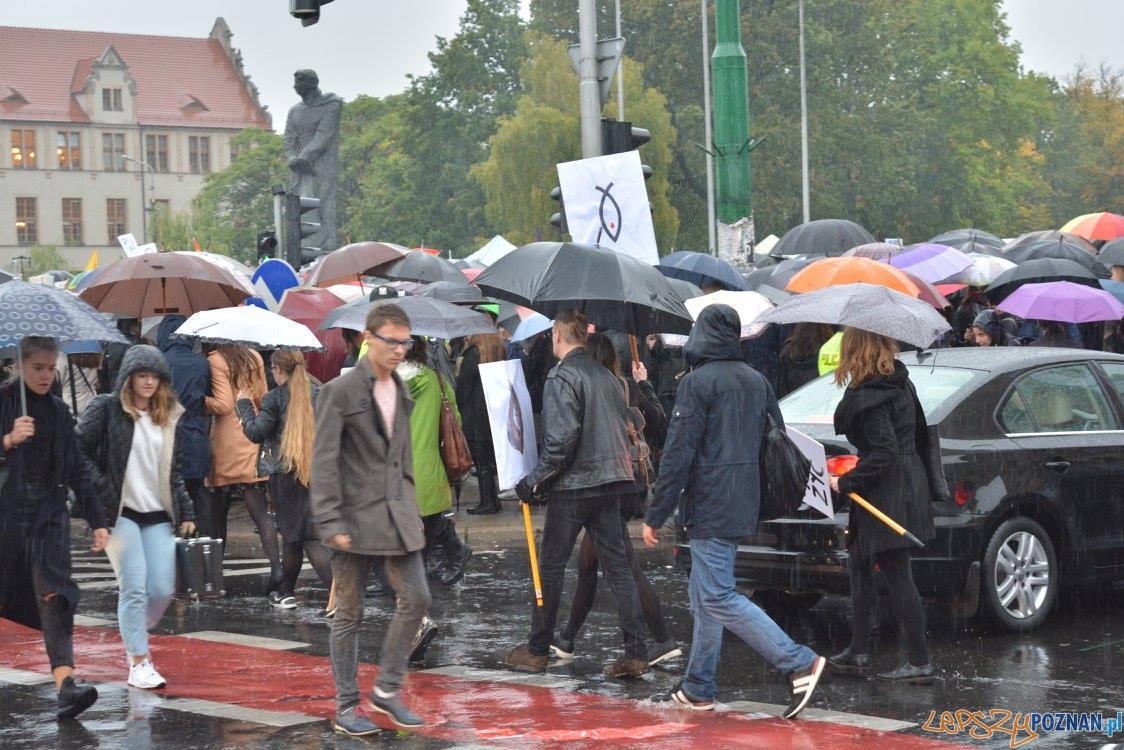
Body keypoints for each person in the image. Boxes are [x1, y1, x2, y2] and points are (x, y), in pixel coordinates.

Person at [642, 304, 826, 717]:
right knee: (704, 597)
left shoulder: (697, 384)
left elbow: (678, 453)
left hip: (710, 502)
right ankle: (698, 686)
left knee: (718, 596)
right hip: (745, 501)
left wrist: (656, 512)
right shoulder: (757, 380)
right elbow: (775, 438)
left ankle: (799, 661)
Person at [503, 311, 650, 679]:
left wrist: (533, 482)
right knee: (618, 568)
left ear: (557, 335)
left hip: (575, 484)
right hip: (612, 479)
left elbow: (561, 441)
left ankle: (538, 649)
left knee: (551, 566)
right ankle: (636, 651)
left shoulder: (562, 375)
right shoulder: (608, 376)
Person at [312, 304, 431, 733]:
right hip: (351, 520)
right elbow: (323, 459)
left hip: (397, 516)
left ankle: (386, 691)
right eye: (392, 341)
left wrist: (412, 509)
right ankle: (347, 706)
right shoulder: (340, 392)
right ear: (369, 338)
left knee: (417, 597)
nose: (400, 350)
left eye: (406, 342)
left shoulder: (402, 389)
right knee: (349, 613)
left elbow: (402, 461)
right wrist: (329, 521)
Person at [552, 333, 679, 667]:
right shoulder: (624, 386)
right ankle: (567, 638)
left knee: (625, 568)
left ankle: (662, 640)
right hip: (627, 484)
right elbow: (659, 423)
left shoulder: (599, 388)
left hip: (610, 487)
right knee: (589, 563)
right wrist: (644, 384)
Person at [76, 345, 196, 690]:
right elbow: (78, 450)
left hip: (157, 513)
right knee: (134, 587)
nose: (148, 382)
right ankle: (139, 662)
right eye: (141, 375)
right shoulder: (107, 408)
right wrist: (100, 488)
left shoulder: (168, 414)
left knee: (161, 589)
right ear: (128, 378)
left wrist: (186, 510)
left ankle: (133, 630)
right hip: (120, 513)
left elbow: (174, 471)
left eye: (154, 376)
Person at [826, 328, 941, 683]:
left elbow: (883, 453)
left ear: (853, 350)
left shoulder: (871, 396)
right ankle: (859, 651)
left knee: (897, 573)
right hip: (907, 481)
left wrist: (843, 482)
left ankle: (920, 662)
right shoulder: (899, 382)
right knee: (859, 564)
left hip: (886, 489)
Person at [0, 337, 106, 720]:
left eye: (51, 367)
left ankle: (66, 686)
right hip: (7, 516)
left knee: (56, 596)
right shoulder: (4, 400)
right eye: (38, 368)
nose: (46, 375)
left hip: (48, 515)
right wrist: (9, 439)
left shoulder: (60, 411)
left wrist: (97, 521)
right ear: (20, 365)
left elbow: (77, 467)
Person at [236, 350, 333, 611]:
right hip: (313, 471)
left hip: (285, 476)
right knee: (302, 537)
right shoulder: (318, 392)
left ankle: (330, 596)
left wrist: (244, 406)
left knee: (298, 538)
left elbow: (256, 433)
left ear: (279, 369)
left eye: (272, 369)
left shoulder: (274, 398)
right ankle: (288, 591)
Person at [204, 344, 283, 603]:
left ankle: (214, 574)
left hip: (226, 437)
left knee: (219, 511)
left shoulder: (215, 358)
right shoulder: (255, 356)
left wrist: (202, 400)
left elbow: (224, 404)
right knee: (259, 509)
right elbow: (262, 397)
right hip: (250, 432)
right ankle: (277, 569)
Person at [398, 338, 473, 586]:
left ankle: (414, 610)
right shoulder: (436, 380)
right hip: (430, 475)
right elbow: (456, 420)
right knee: (422, 547)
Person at [156, 316, 212, 529]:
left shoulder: (158, 362)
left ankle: (174, 553)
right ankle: (202, 550)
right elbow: (208, 396)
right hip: (196, 437)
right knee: (197, 497)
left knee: (170, 499)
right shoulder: (201, 363)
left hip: (166, 439)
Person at [283, 69, 342, 253]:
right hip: (299, 170)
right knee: (300, 209)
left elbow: (324, 135)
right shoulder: (295, 111)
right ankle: (303, 252)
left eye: (298, 83)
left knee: (323, 207)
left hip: (321, 167)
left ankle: (322, 251)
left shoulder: (332, 104)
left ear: (311, 83)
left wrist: (304, 157)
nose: (294, 87)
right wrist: (292, 158)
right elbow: (288, 139)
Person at [455, 332, 507, 515]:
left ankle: (488, 502)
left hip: (474, 417)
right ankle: (492, 500)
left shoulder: (473, 354)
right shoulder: (498, 351)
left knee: (481, 461)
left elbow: (463, 388)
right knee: (487, 462)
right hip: (492, 415)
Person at [777, 323, 836, 397]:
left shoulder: (787, 352)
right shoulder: (829, 350)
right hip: (820, 398)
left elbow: (782, 385)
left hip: (794, 401)